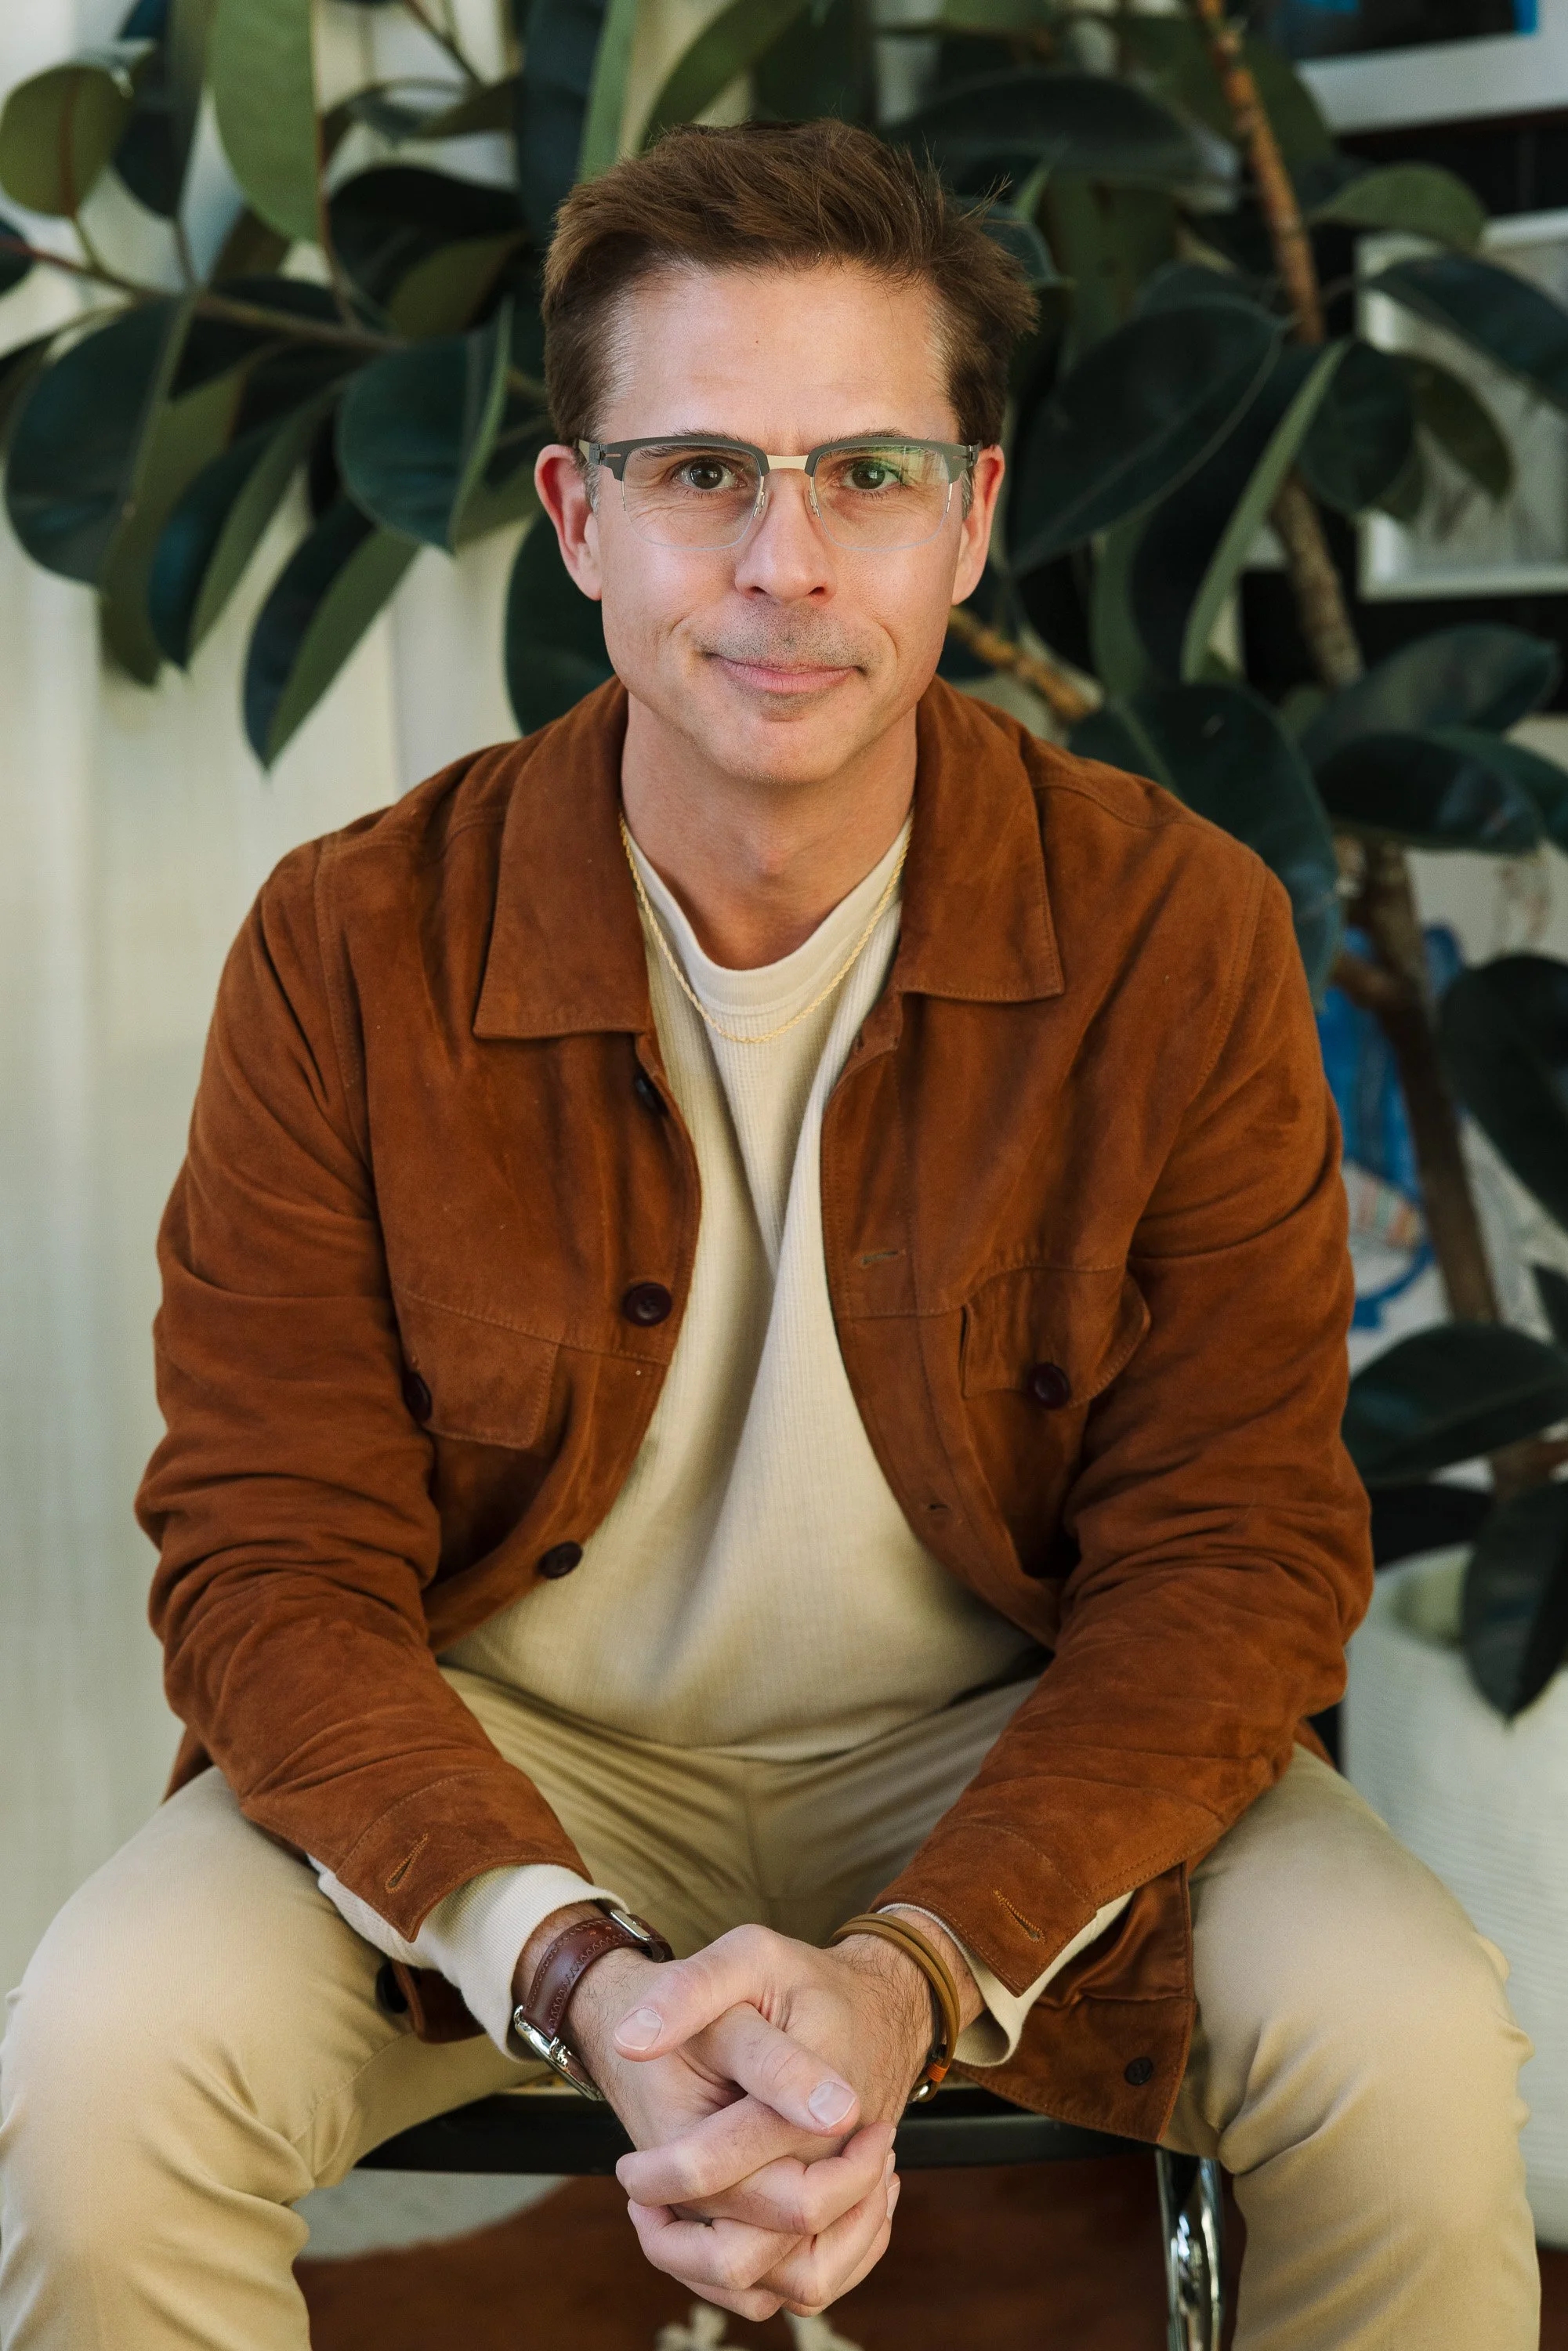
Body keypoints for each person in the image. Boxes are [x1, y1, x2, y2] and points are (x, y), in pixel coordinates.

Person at [0, 118, 1537, 2351]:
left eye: (872, 474)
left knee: (1404, 2038)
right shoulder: (347, 945)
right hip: (497, 1764)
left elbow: (1234, 1550)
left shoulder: (1174, 929)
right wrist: (571, 1962)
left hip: (1007, 1750)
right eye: (702, 468)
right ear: (580, 520)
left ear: (975, 520)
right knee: (105, 2058)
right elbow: (266, 1555)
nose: (784, 562)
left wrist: (919, 1971)